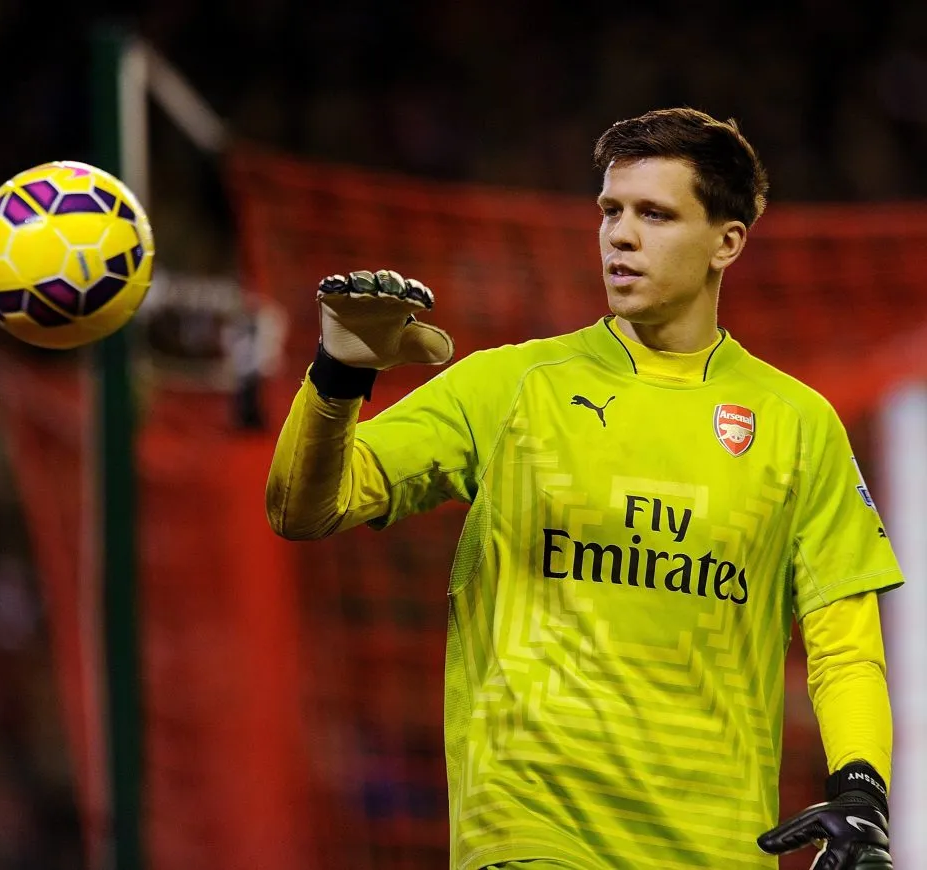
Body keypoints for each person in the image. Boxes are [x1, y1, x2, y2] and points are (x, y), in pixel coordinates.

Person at [265, 108, 902, 870]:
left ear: (726, 242)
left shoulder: (797, 424)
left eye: (655, 215)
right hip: (531, 834)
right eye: (611, 210)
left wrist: (861, 789)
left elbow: (845, 648)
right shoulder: (510, 386)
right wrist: (340, 378)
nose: (620, 236)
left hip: (717, 845)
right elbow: (306, 508)